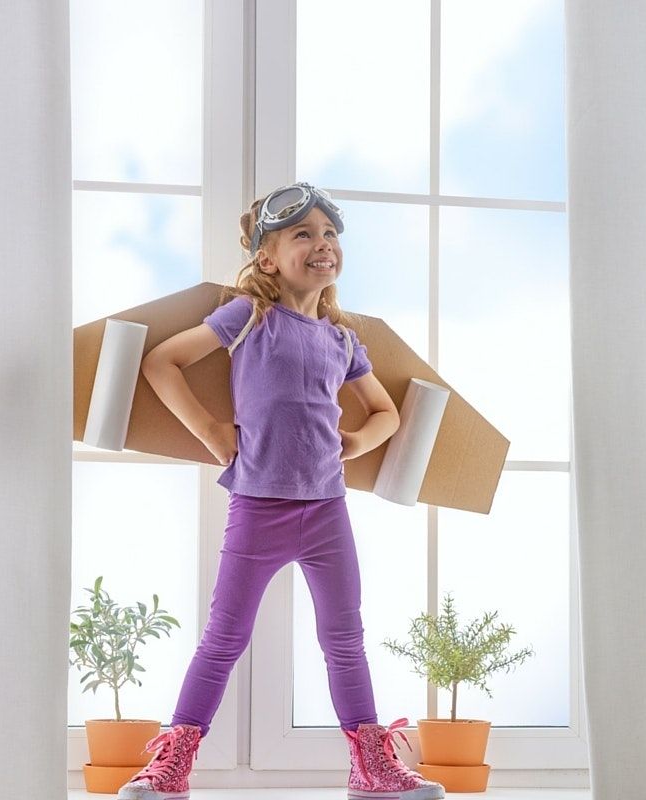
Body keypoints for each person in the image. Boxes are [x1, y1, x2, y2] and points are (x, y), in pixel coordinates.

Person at [117, 182, 445, 800]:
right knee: (224, 638)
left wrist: (356, 442)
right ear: (267, 258)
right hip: (257, 506)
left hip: (326, 511)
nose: (323, 244)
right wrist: (212, 431)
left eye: (330, 234)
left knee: (344, 640)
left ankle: (370, 766)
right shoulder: (249, 317)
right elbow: (161, 362)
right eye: (304, 234)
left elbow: (386, 413)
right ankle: (172, 764)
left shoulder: (343, 340)